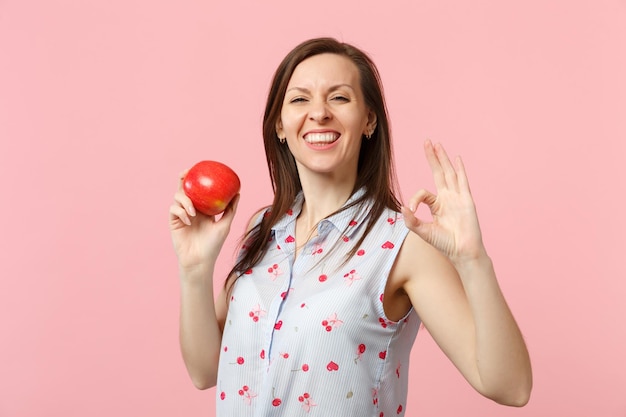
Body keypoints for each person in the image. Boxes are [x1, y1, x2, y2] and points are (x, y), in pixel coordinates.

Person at [169, 37, 532, 416]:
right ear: (280, 125)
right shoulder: (263, 230)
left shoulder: (403, 244)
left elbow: (511, 387)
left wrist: (473, 260)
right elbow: (206, 370)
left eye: (339, 98)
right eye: (299, 99)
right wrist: (195, 270)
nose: (319, 113)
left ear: (369, 120)